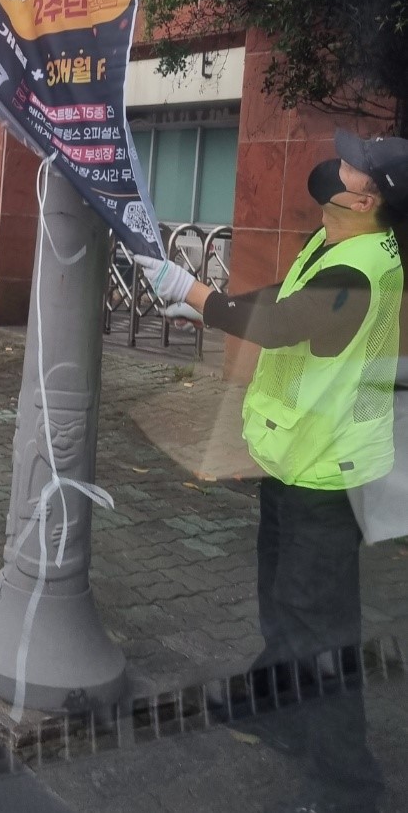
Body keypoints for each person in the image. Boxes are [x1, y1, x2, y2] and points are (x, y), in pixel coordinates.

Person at [137, 130, 408, 813]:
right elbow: (284, 292)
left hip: (328, 476)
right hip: (294, 462)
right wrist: (210, 302)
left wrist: (193, 292)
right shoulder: (335, 240)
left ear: (368, 195)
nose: (334, 167)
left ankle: (349, 785)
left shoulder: (365, 266)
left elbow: (287, 324)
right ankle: (278, 713)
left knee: (323, 633)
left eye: (350, 166)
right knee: (285, 605)